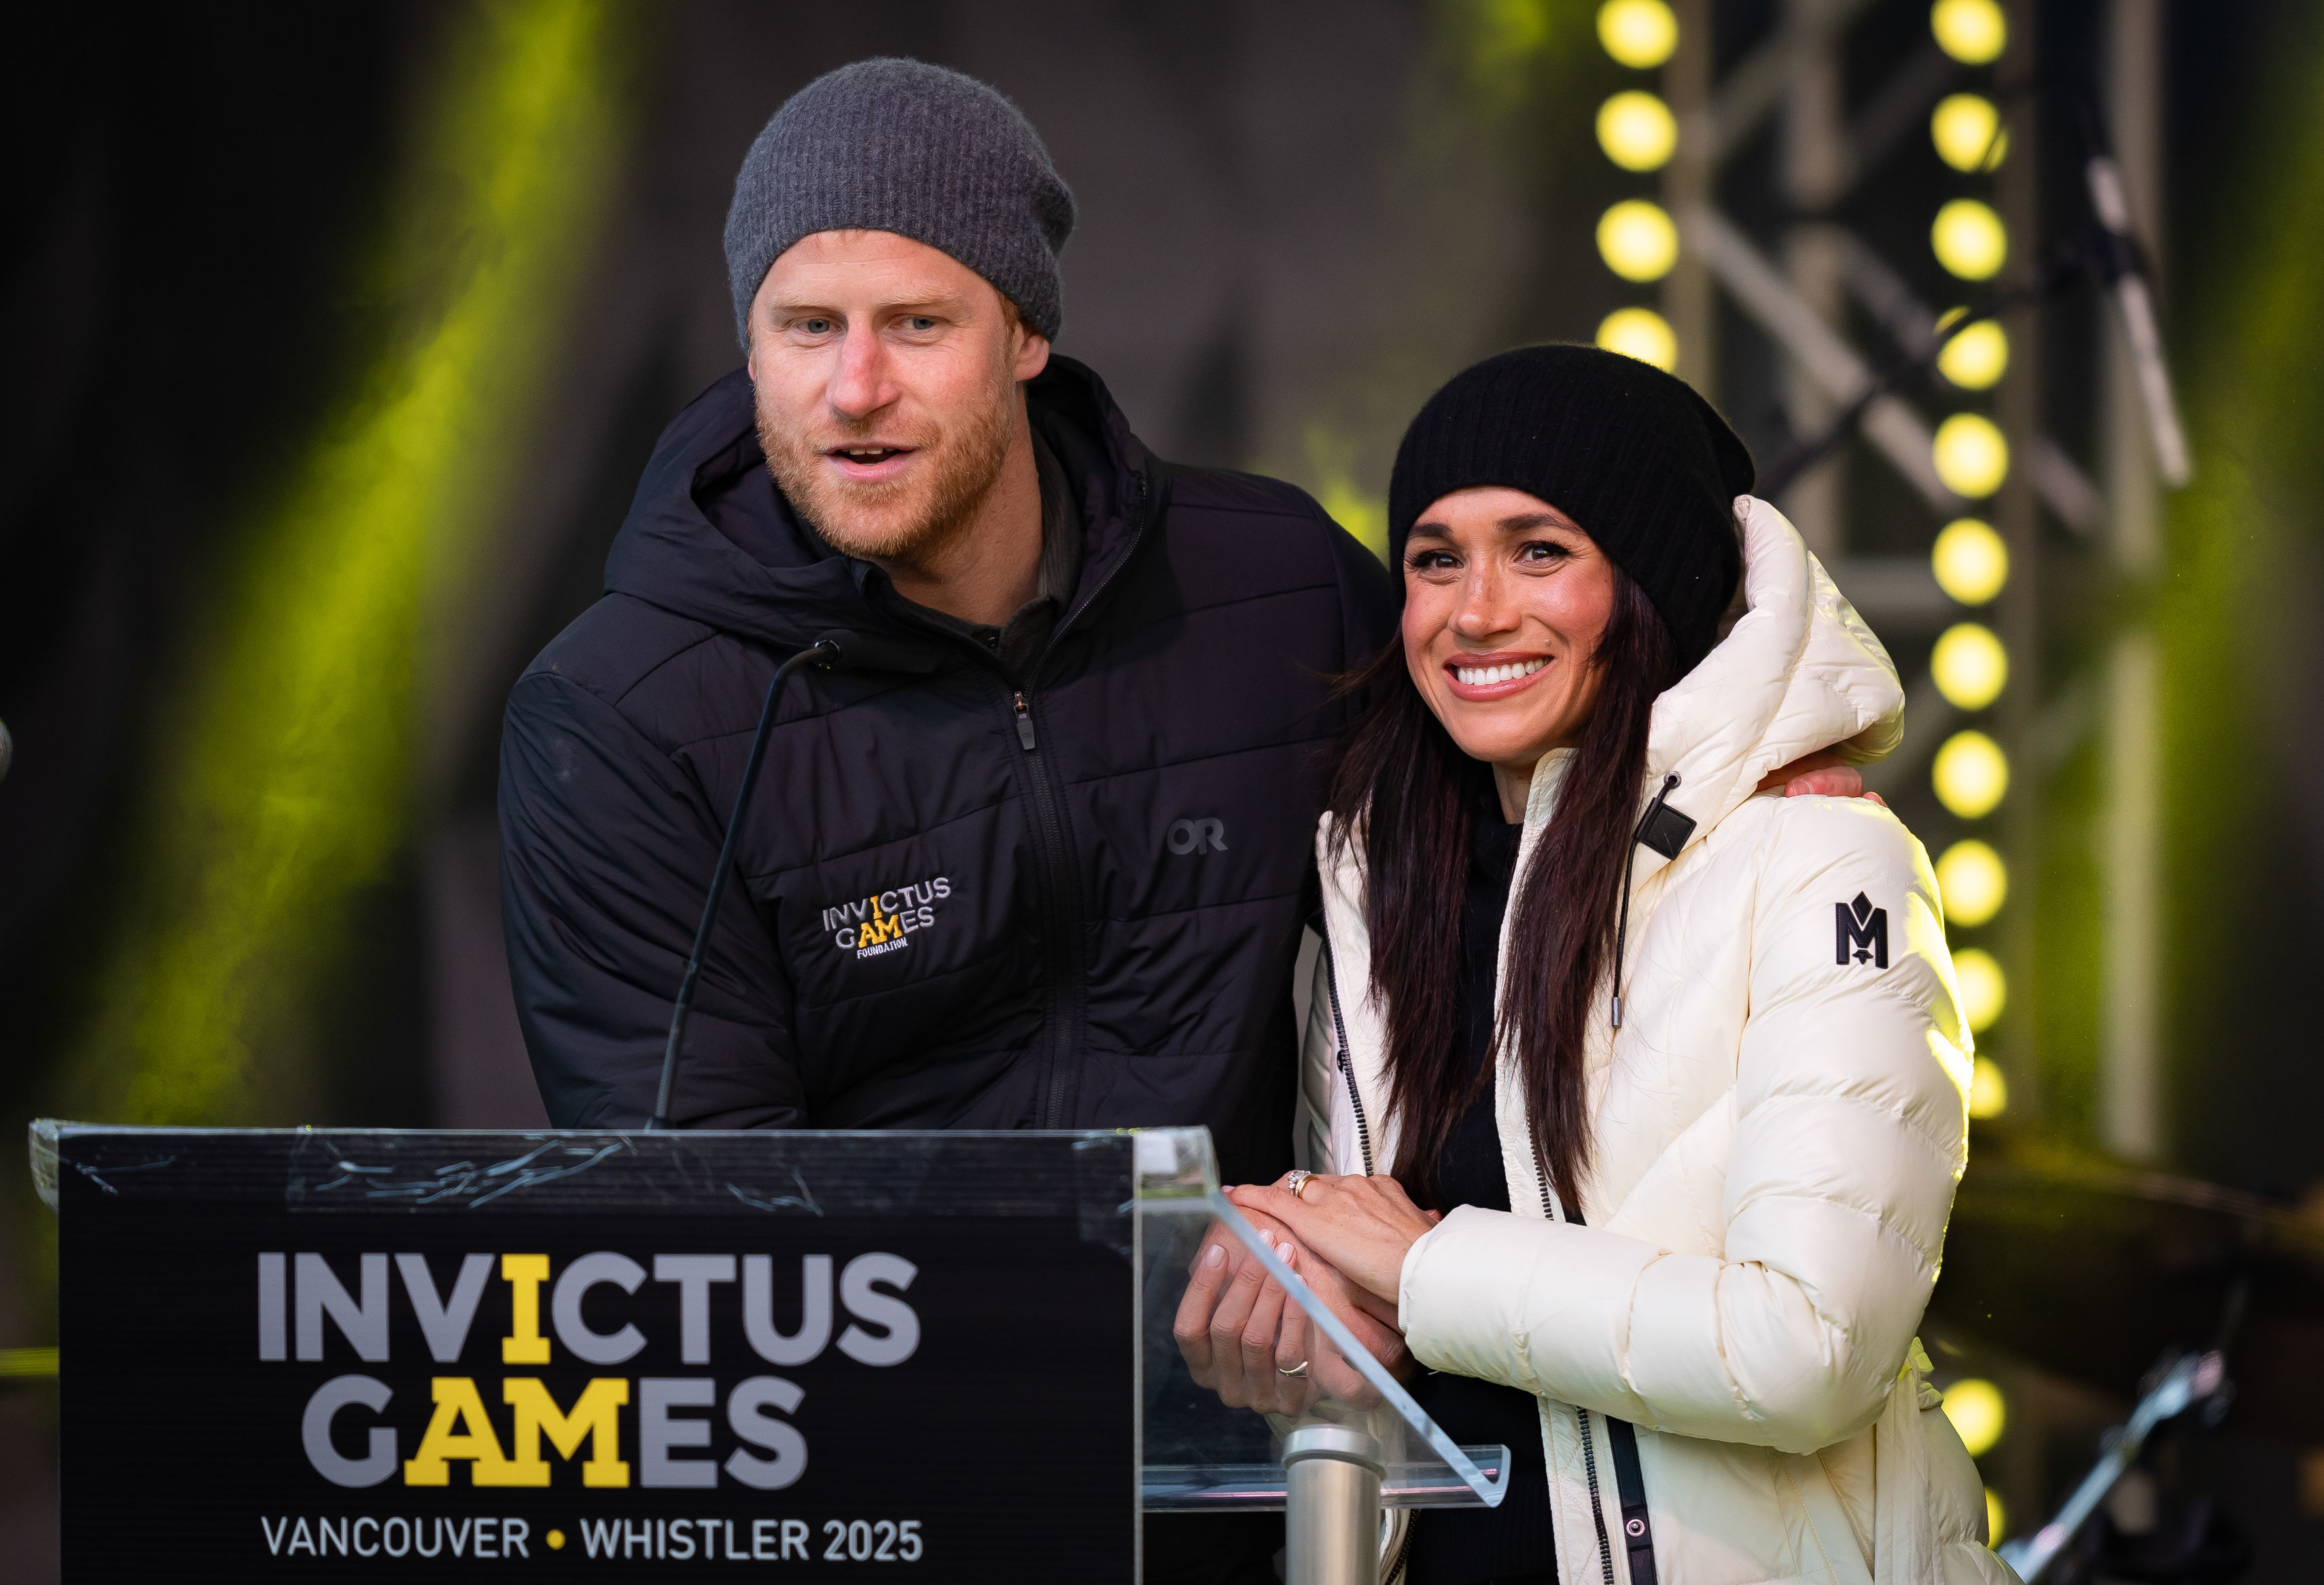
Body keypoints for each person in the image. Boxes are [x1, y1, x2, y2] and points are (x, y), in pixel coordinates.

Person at [500, 58, 1869, 1585]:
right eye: (804, 327)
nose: (855, 388)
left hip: (1249, 1497)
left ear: (1025, 331)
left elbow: (1503, 785)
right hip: (882, 1502)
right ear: (747, 342)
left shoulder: (1266, 582)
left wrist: (1739, 773)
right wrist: (1202, 1294)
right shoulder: (625, 711)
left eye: (917, 324)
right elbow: (714, 1228)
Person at [1184, 346, 2008, 1584]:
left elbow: (1809, 1349)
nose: (1475, 611)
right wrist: (1304, 1331)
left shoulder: (1823, 863)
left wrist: (1418, 1267)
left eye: (1540, 550)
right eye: (1435, 558)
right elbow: (1393, 1340)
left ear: (1651, 581)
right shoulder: (1371, 889)